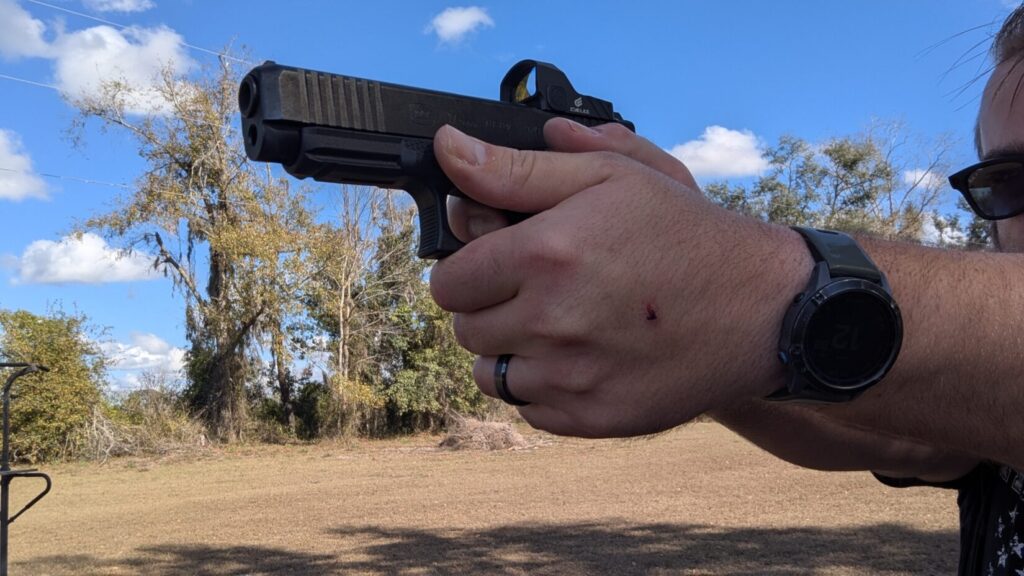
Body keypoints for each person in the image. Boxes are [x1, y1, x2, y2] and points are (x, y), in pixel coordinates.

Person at [427, 7, 1024, 575]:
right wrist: (699, 341)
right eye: (1007, 181)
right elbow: (914, 443)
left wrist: (755, 287)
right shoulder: (982, 423)